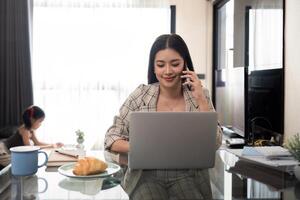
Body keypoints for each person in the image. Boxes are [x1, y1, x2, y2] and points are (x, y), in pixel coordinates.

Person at [104, 34, 222, 199]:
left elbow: (215, 143)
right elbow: (111, 138)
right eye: (160, 65)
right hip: (146, 177)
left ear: (185, 65)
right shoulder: (140, 95)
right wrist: (142, 148)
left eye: (175, 64)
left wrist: (201, 99)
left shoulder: (200, 96)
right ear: (153, 67)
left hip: (188, 176)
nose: (167, 71)